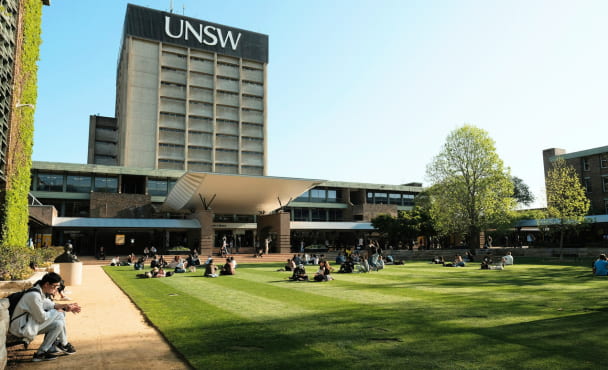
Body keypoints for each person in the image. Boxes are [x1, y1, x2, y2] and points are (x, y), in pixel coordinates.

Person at [9, 272, 80, 362]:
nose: (56, 290)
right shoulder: (34, 296)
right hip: (20, 328)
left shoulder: (39, 292)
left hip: (28, 324)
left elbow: (49, 304)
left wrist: (65, 306)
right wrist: (59, 311)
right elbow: (41, 318)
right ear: (47, 284)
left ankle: (40, 353)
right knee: (58, 314)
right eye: (55, 286)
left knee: (58, 324)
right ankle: (63, 344)